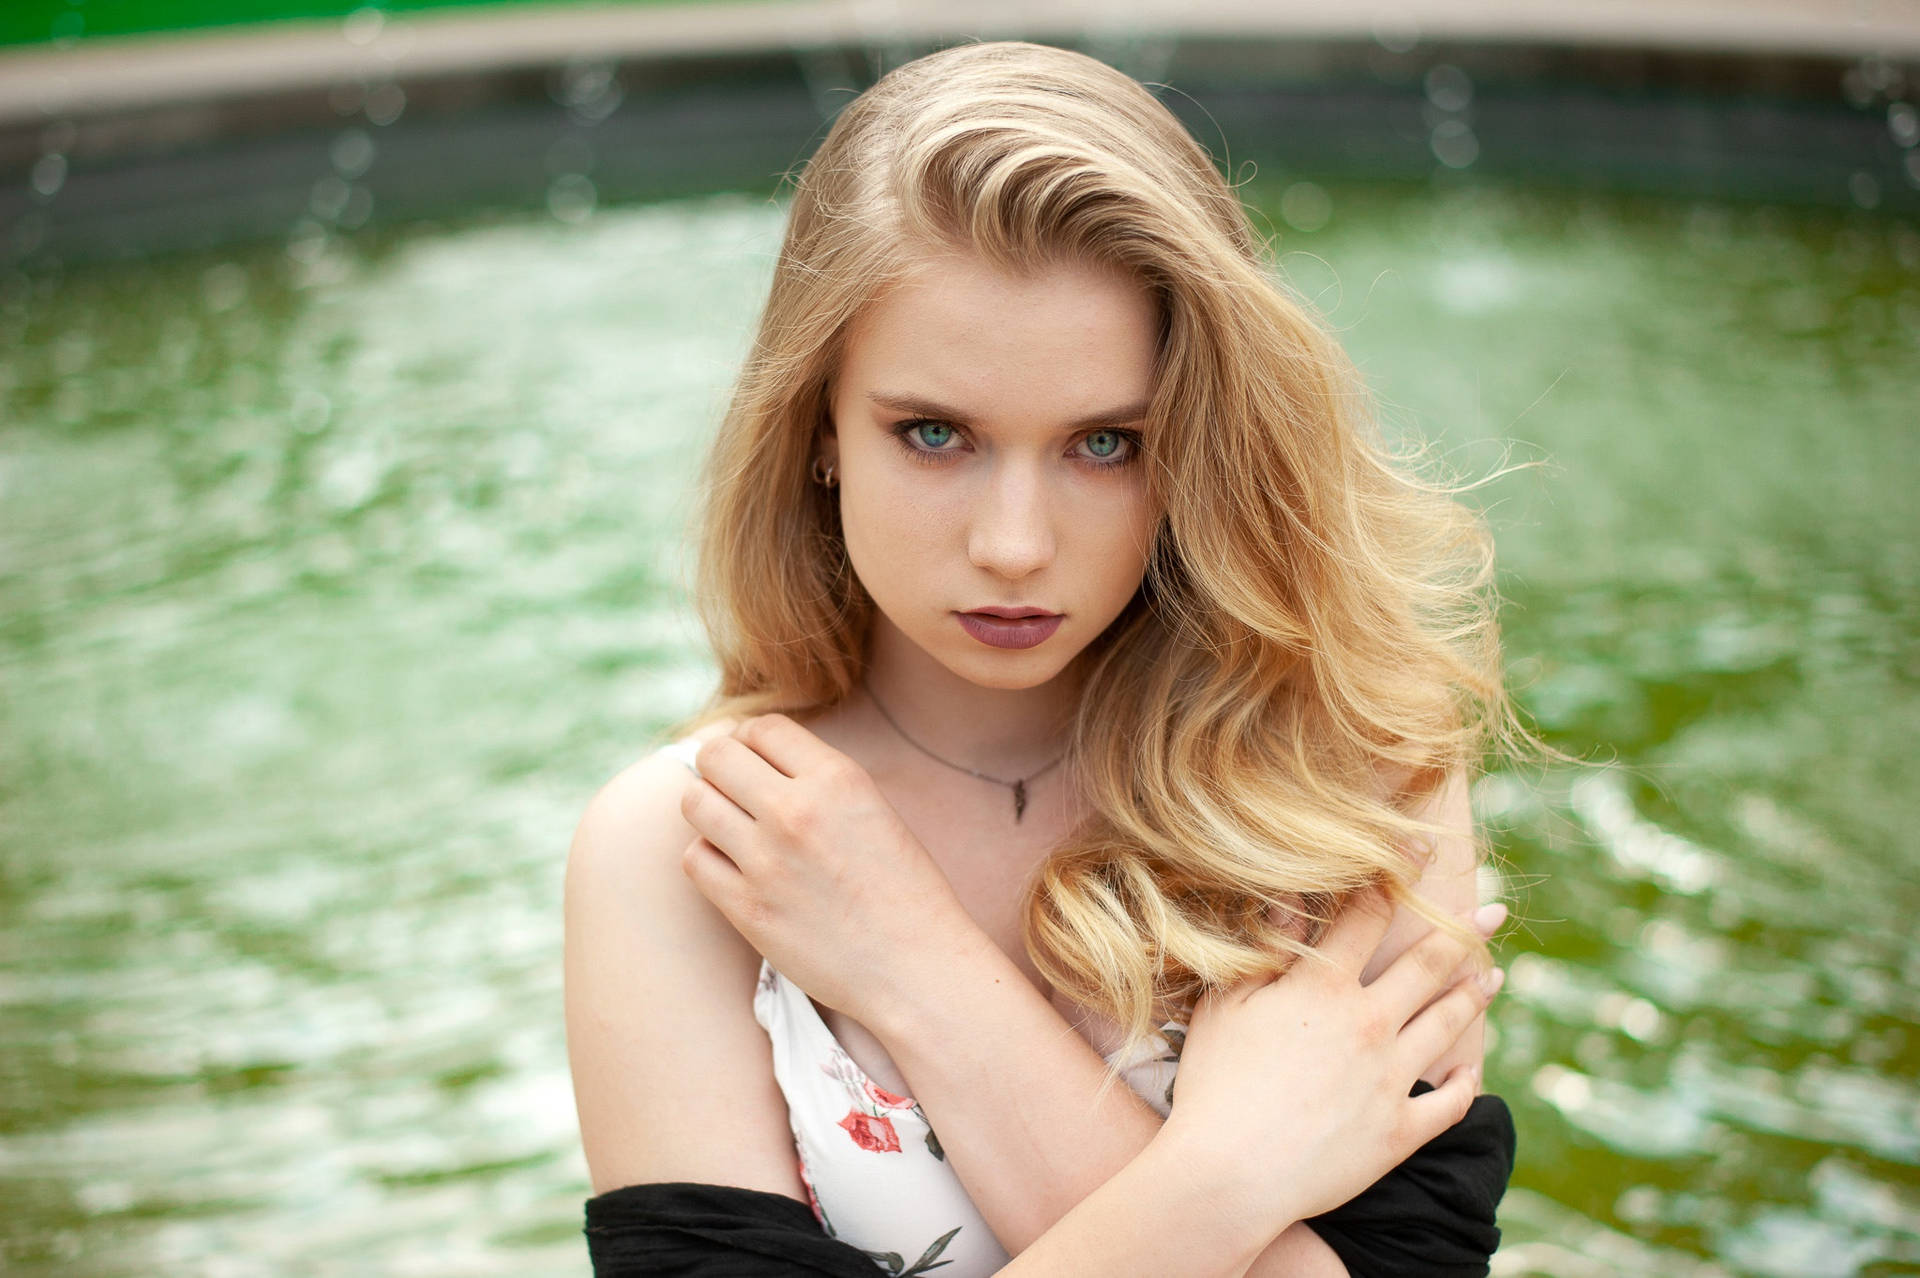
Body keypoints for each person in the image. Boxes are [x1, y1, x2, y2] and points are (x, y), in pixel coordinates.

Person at [565, 39, 1525, 1278]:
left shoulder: (1351, 790)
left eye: (1104, 445)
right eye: (933, 434)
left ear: (1198, 442)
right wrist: (1232, 1175)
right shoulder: (689, 853)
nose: (1013, 546)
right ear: (818, 434)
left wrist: (914, 972)